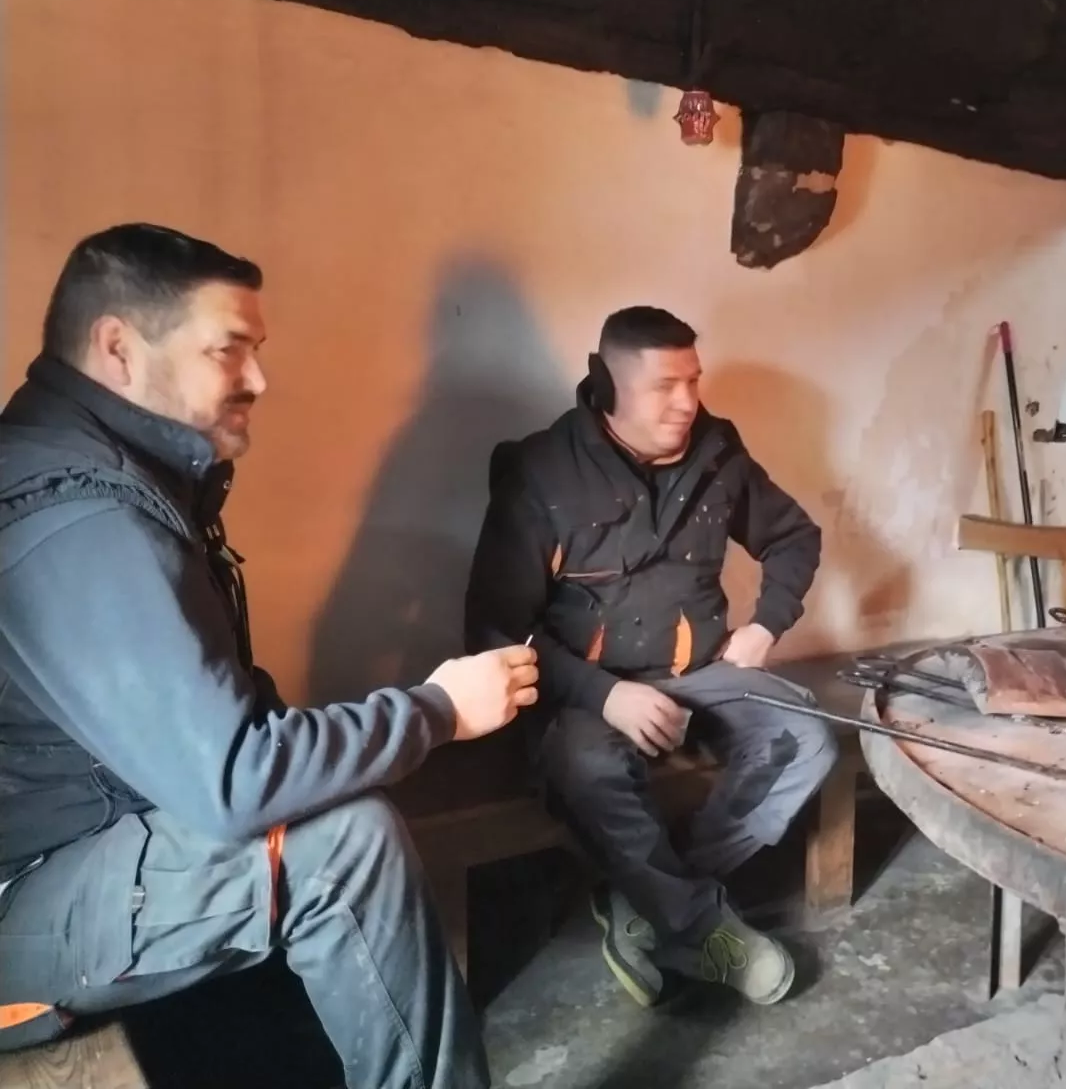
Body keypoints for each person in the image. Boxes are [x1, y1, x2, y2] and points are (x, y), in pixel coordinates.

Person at [0, 224, 537, 1089]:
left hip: (86, 849)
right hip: (25, 896)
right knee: (343, 841)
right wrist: (438, 710)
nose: (258, 378)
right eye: (229, 349)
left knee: (329, 813)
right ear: (118, 349)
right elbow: (232, 781)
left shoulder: (104, 473)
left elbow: (218, 726)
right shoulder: (80, 517)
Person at [464, 306, 837, 1009]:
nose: (687, 402)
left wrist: (765, 626)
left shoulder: (718, 452)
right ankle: (700, 927)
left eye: (693, 380)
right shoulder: (541, 474)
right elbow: (491, 628)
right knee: (586, 765)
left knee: (807, 740)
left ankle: (644, 898)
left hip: (699, 672)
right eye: (665, 385)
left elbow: (794, 537)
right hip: (584, 694)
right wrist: (604, 696)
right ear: (606, 386)